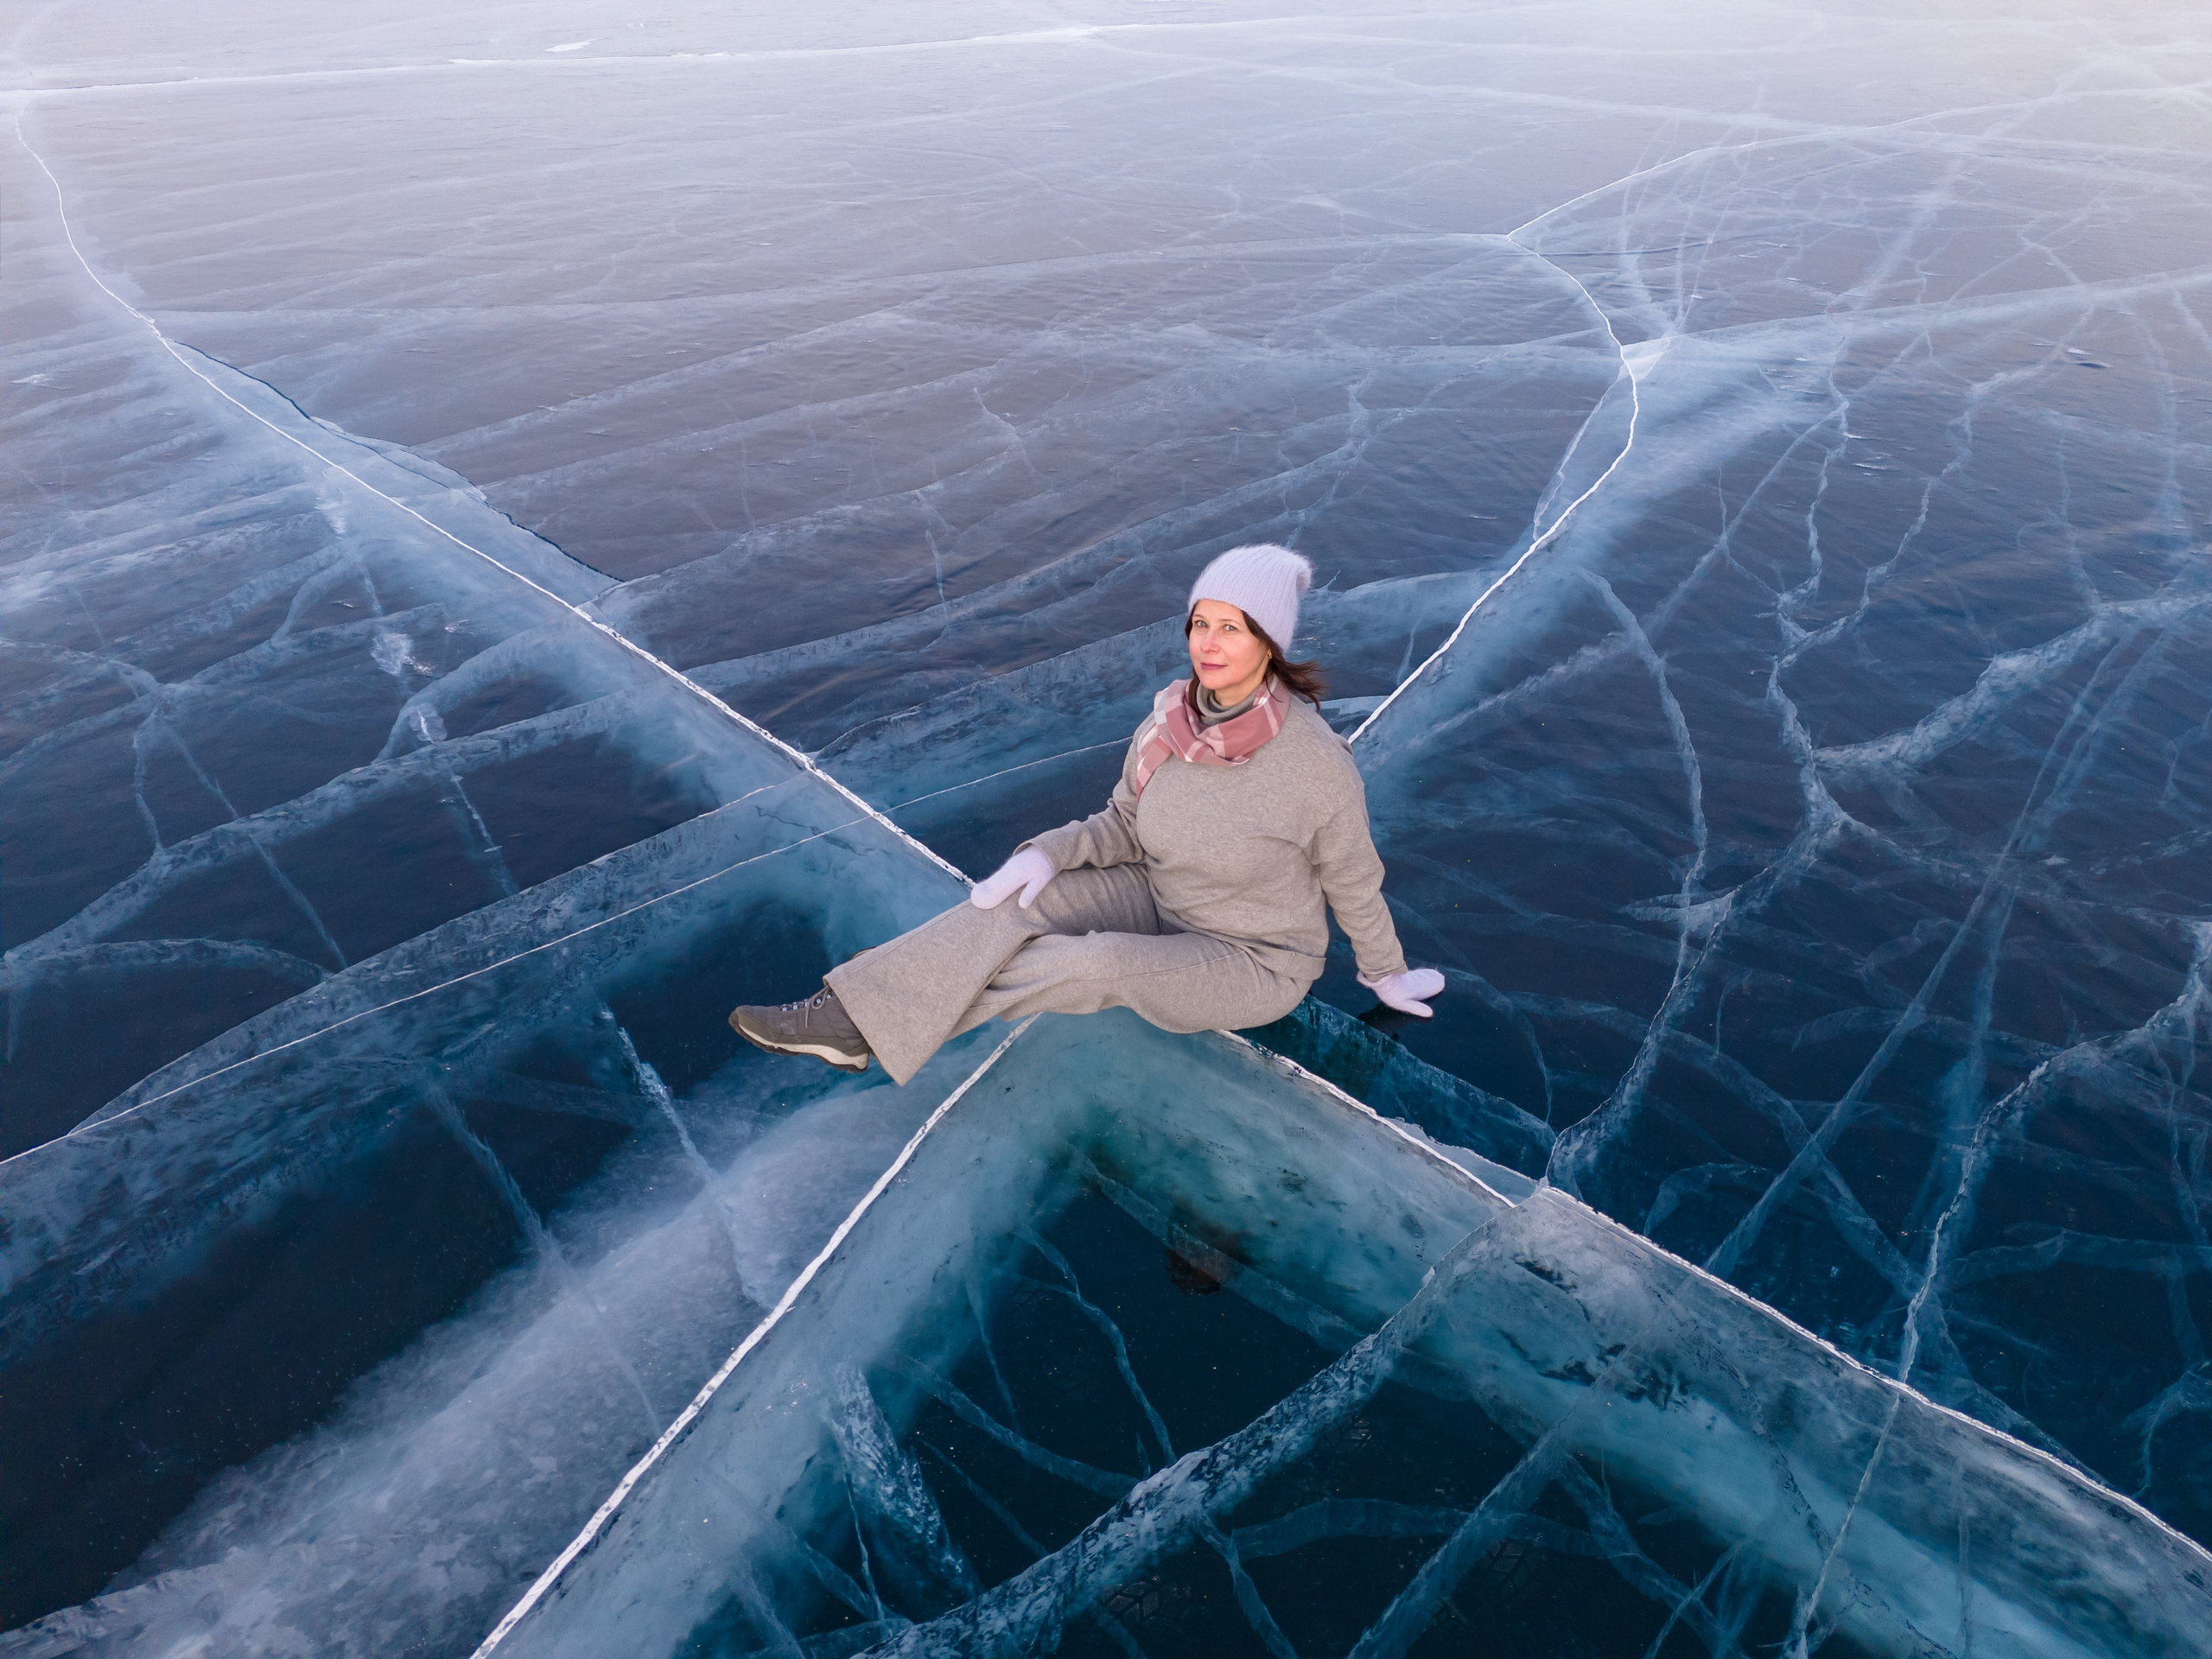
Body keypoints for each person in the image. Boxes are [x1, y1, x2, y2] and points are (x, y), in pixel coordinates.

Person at [728, 543, 1446, 1082]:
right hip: (1157, 892)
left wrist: (1385, 974)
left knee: (1095, 962)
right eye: (1201, 624)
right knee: (1011, 907)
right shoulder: (1171, 717)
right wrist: (1045, 854)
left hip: (1251, 959)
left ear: (1269, 642)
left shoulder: (1312, 760)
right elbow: (1124, 824)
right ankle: (850, 1011)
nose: (1210, 643)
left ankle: (877, 1015)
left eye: (1233, 627)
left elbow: (1352, 878)